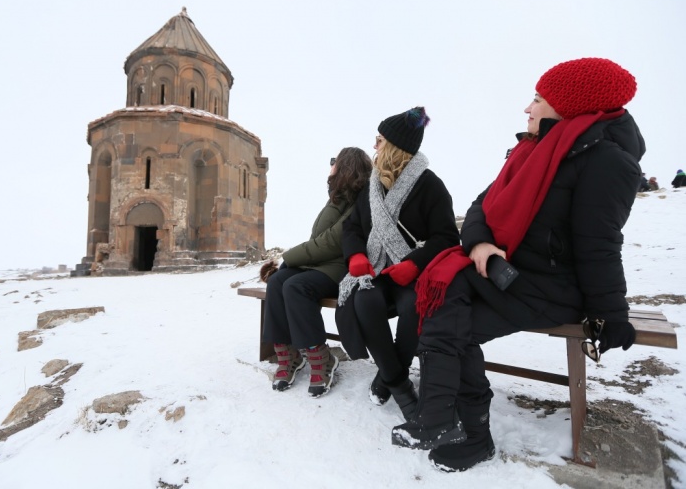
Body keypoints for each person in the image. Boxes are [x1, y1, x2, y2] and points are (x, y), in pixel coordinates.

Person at [392, 58, 643, 472]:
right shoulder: (531, 151)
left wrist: (611, 314)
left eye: (539, 99)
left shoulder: (607, 163)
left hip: (551, 289)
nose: (528, 108)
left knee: (455, 328)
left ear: (569, 107)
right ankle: (445, 422)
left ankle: (459, 429)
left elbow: (599, 246)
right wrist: (480, 244)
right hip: (504, 274)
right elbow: (480, 206)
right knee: (439, 301)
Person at [336, 106, 460, 421]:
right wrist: (356, 255)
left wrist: (415, 263)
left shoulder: (430, 185)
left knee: (414, 307)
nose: (374, 146)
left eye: (379, 141)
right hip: (377, 271)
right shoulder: (371, 187)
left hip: (413, 274)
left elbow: (446, 237)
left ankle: (389, 375)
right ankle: (400, 386)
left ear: (393, 147)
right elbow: (351, 227)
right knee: (365, 303)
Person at [261, 147, 372, 397]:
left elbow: (332, 242)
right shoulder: (339, 198)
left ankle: (320, 357)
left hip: (341, 267)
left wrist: (288, 256)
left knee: (296, 286)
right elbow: (318, 236)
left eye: (335, 162)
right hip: (322, 263)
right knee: (278, 281)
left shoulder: (361, 202)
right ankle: (288, 354)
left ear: (346, 167)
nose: (330, 166)